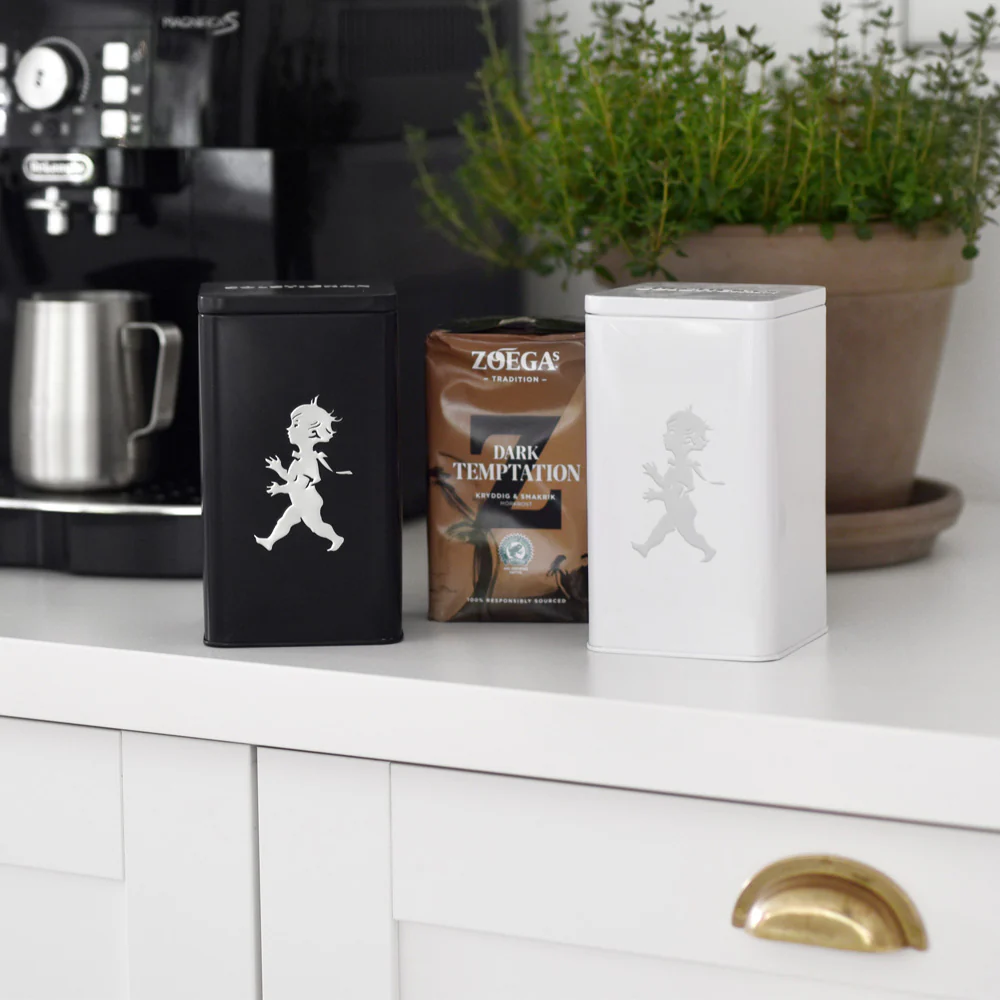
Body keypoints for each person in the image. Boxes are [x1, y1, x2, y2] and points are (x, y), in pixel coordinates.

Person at [255, 397, 350, 552]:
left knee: (316, 527)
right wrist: (279, 469)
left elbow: (298, 485)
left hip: (308, 503)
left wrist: (280, 489)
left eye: (296, 424)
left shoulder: (309, 459)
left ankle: (336, 538)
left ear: (312, 432)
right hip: (301, 501)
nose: (289, 428)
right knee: (286, 520)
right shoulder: (301, 458)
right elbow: (291, 479)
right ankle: (270, 542)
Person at [632, 407, 723, 563]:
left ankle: (708, 550)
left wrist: (656, 494)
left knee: (689, 535)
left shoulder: (682, 466)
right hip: (675, 509)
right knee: (661, 528)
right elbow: (667, 485)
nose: (665, 435)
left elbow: (673, 492)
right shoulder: (677, 464)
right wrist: (655, 477)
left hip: (682, 511)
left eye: (672, 432)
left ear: (686, 440)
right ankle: (645, 548)